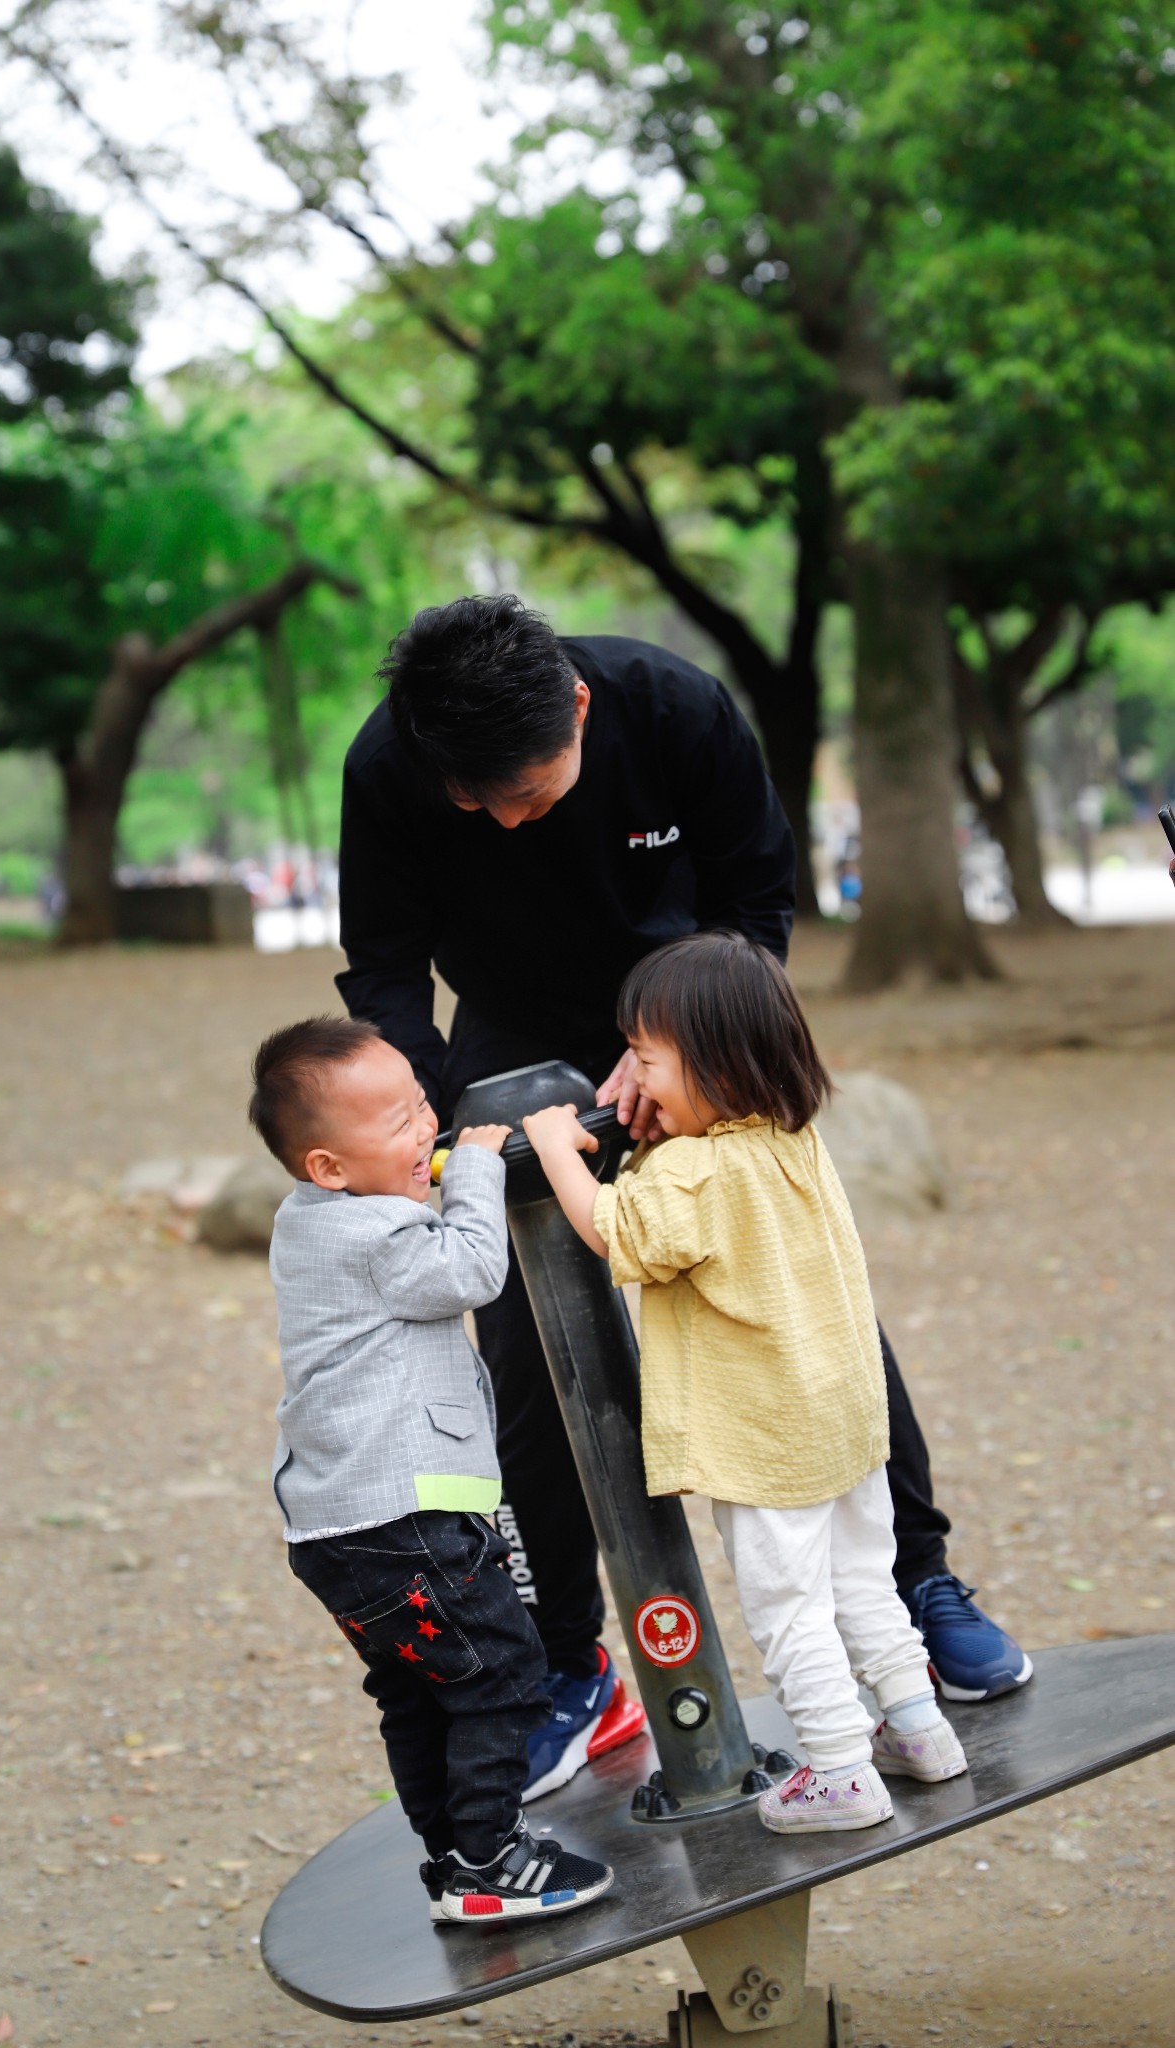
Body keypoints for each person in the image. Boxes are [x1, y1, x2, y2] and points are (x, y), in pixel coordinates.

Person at [336, 594, 1031, 1799]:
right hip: (510, 1037)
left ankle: (916, 1577)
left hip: (694, 1016)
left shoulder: (674, 706)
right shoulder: (390, 766)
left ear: (582, 709)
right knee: (530, 1356)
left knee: (799, 1294)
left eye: (533, 791)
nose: (506, 816)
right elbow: (387, 967)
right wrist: (452, 1121)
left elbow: (758, 901)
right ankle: (569, 1658)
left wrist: (691, 1061)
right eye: (478, 801)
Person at [522, 932, 970, 1832]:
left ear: (716, 1064)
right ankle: (917, 1726)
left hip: (763, 1436)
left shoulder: (695, 1169)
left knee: (788, 1605)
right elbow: (692, 1214)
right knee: (861, 1577)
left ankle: (841, 1772)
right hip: (839, 1420)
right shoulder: (788, 1138)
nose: (634, 1085)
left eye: (646, 1061)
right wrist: (654, 1136)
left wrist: (554, 1148)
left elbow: (620, 1232)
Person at [251, 1014, 614, 1924]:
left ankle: (452, 1857)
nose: (427, 1133)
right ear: (326, 1167)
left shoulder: (308, 1225)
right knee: (501, 1674)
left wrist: (428, 1173)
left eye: (426, 1109)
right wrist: (483, 1163)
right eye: (399, 1125)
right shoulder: (375, 1233)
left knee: (418, 1692)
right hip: (404, 1519)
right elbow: (471, 1271)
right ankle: (490, 1863)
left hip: (340, 1527)